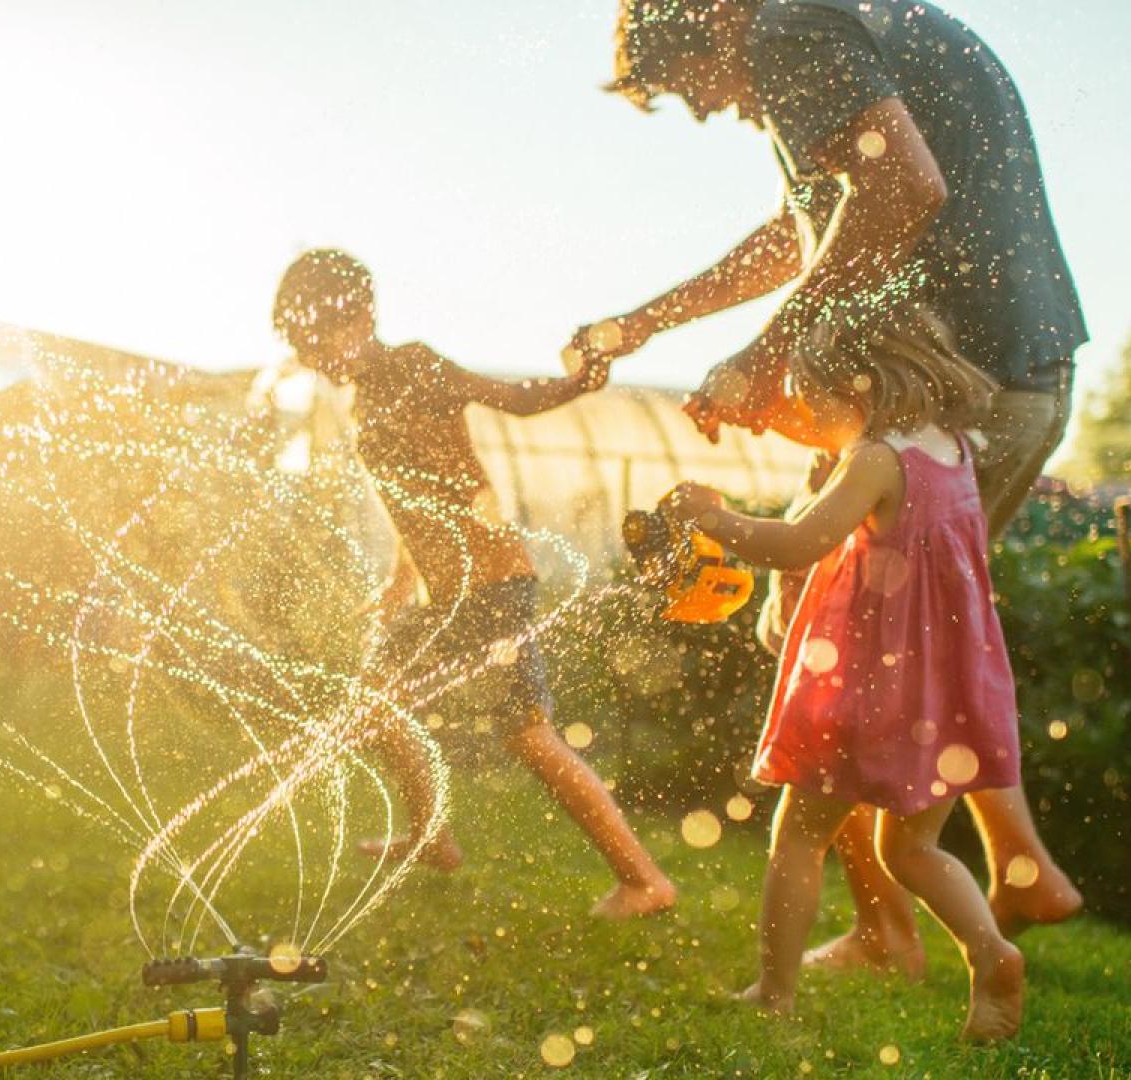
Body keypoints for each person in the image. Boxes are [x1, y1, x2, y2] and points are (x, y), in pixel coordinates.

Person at [574, 0, 1084, 968]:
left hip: (953, 384)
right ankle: (1012, 865)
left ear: (714, 19)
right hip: (1006, 379)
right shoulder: (839, 27)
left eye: (690, 82)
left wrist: (764, 359)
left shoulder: (787, 29)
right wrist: (649, 323)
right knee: (912, 638)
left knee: (827, 651)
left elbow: (902, 187)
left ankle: (895, 922)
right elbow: (807, 229)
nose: (706, 109)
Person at [272, 249, 677, 919]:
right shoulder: (364, 395)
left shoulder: (413, 364)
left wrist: (581, 380)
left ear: (357, 316)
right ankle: (432, 837)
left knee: (527, 736)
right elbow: (419, 492)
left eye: (312, 338)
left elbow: (516, 401)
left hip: (491, 585)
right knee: (375, 700)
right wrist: (404, 577)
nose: (308, 355)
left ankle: (644, 881)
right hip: (446, 596)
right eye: (297, 342)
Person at [667, 306, 1025, 1041]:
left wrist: (714, 518)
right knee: (914, 849)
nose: (807, 413)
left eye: (812, 396)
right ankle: (991, 954)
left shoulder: (875, 459)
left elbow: (800, 544)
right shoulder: (954, 450)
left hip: (869, 689)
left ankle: (774, 993)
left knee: (796, 838)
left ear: (856, 388)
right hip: (946, 695)